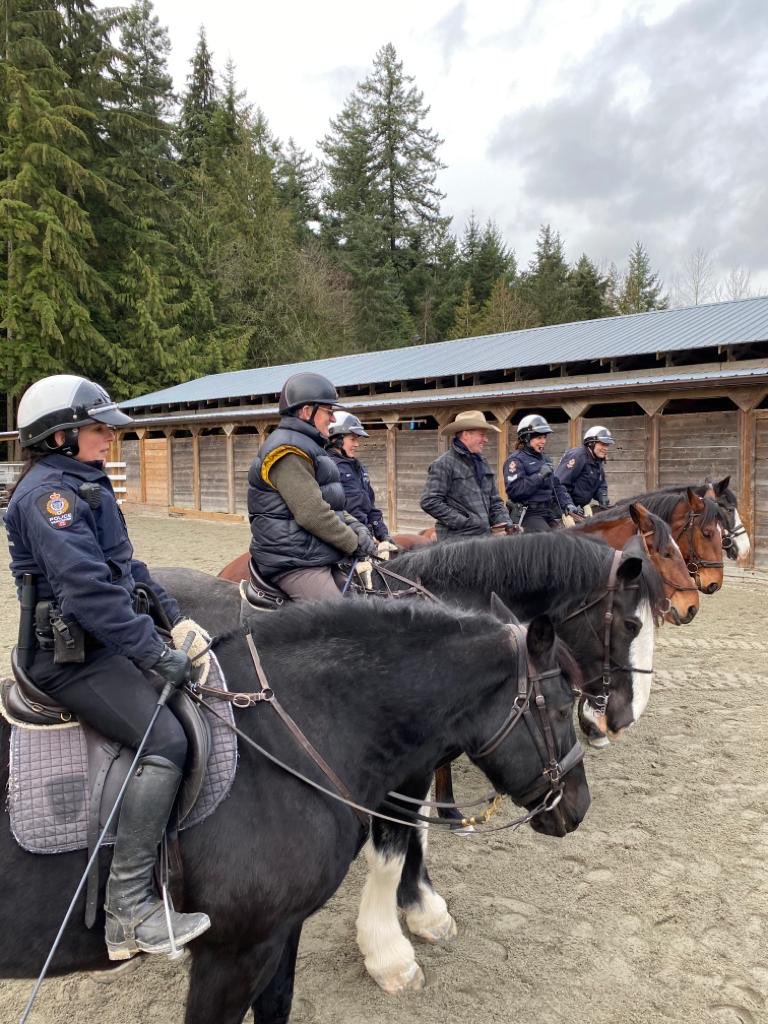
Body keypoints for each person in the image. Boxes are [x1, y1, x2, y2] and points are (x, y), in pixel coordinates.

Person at [4, 374, 211, 961]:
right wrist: (153, 652)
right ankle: (130, 910)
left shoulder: (84, 484)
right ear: (61, 436)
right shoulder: (49, 498)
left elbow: (127, 567)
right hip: (68, 660)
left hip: (102, 645)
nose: (108, 438)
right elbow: (89, 593)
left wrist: (175, 620)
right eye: (97, 429)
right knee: (165, 739)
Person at [247, 372, 378, 600]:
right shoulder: (288, 451)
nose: (333, 419)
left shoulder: (310, 447)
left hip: (315, 554)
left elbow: (329, 506)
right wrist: (353, 542)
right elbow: (313, 514)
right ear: (307, 411)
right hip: (293, 561)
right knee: (343, 622)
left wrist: (358, 528)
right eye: (329, 412)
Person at [420, 410, 512, 541]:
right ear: (466, 435)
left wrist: (505, 523)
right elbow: (429, 501)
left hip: (483, 539)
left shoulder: (483, 463)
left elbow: (495, 501)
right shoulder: (444, 464)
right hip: (456, 542)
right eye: (482, 435)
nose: (485, 440)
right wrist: (464, 522)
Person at [503, 414, 580, 533]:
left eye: (545, 437)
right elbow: (515, 491)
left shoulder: (545, 459)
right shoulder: (515, 460)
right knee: (551, 542)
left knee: (569, 538)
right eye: (539, 438)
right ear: (526, 438)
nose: (543, 441)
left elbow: (557, 486)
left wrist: (568, 504)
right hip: (528, 514)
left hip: (547, 512)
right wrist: (539, 476)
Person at [327, 412, 392, 544]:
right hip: (346, 539)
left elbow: (370, 506)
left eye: (357, 439)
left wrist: (383, 535)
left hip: (366, 536)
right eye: (353, 439)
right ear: (337, 439)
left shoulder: (359, 468)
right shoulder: (328, 468)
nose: (357, 444)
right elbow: (332, 512)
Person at [555, 425, 614, 513]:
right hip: (560, 507)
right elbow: (559, 483)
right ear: (591, 443)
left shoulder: (597, 460)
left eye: (607, 445)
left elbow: (601, 483)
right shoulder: (577, 456)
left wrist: (602, 495)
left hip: (579, 508)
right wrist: (568, 504)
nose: (606, 448)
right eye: (603, 444)